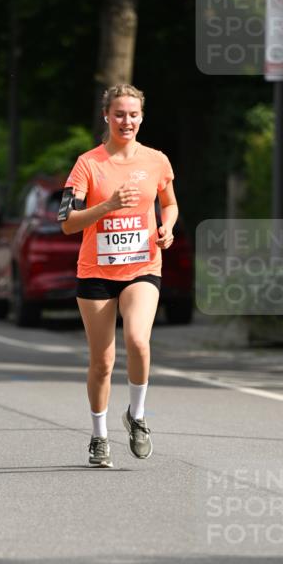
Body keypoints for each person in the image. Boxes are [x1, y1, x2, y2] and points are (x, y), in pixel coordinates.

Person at [60, 84, 178, 468]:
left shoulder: (157, 160)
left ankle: (138, 416)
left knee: (138, 341)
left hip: (142, 266)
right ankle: (99, 436)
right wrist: (108, 205)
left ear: (142, 117)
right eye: (119, 114)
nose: (126, 121)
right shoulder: (87, 164)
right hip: (96, 271)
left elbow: (170, 203)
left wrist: (168, 227)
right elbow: (67, 223)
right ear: (106, 117)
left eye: (133, 114)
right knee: (103, 361)